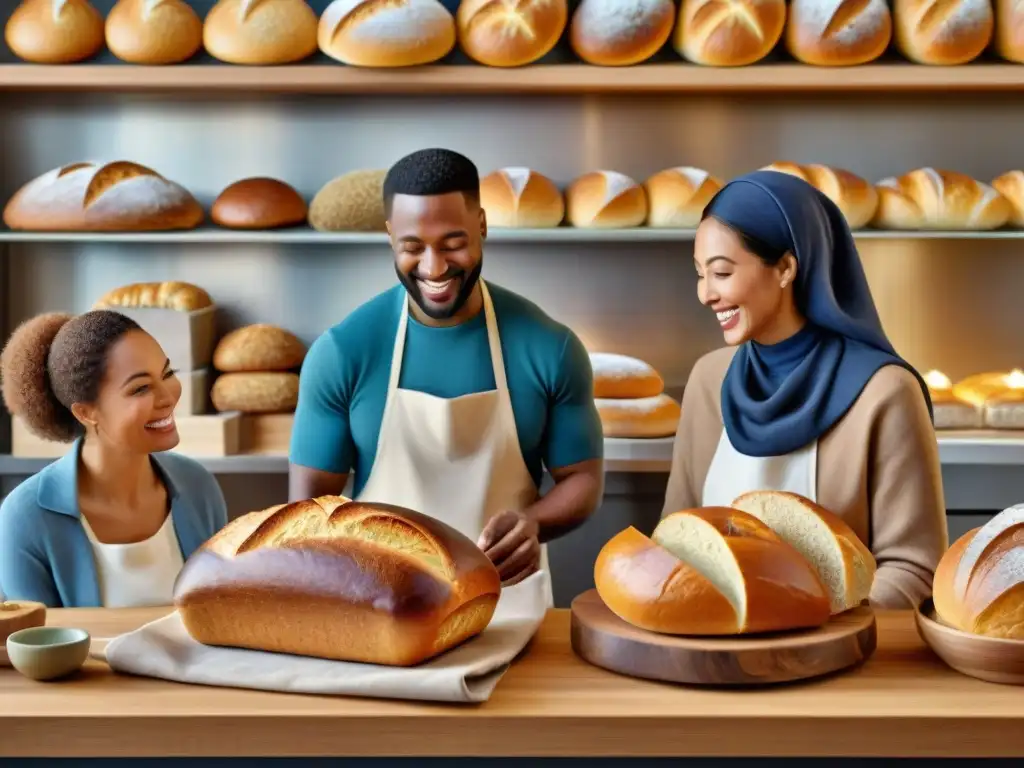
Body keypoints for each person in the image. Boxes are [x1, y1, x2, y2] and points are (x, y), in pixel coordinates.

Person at [289, 148, 605, 599]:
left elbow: (583, 478)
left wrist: (534, 523)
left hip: (507, 601)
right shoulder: (343, 352)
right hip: (378, 603)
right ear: (389, 236)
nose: (434, 268)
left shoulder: (549, 347)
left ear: (482, 226)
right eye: (412, 247)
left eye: (453, 243)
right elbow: (308, 510)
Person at [663, 170, 948, 609]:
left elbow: (914, 569)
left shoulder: (885, 392)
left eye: (721, 272)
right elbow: (676, 539)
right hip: (713, 657)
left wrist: (812, 631)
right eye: (699, 274)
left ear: (785, 268)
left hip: (840, 663)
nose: (706, 294)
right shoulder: (707, 380)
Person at [0, 311, 228, 608]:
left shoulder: (199, 487)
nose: (168, 397)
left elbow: (223, 615)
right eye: (141, 388)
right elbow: (33, 645)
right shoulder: (24, 517)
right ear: (85, 412)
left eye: (168, 374)